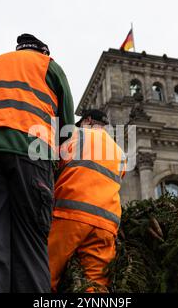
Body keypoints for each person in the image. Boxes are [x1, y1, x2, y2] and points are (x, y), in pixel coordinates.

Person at [0, 33, 74, 292]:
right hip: (31, 152)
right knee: (30, 245)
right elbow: (67, 131)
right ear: (43, 51)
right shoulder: (48, 66)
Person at [48, 109, 127, 292]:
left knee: (44, 274)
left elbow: (53, 167)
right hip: (107, 224)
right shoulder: (120, 152)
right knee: (95, 286)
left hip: (71, 214)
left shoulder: (75, 136)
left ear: (88, 120)